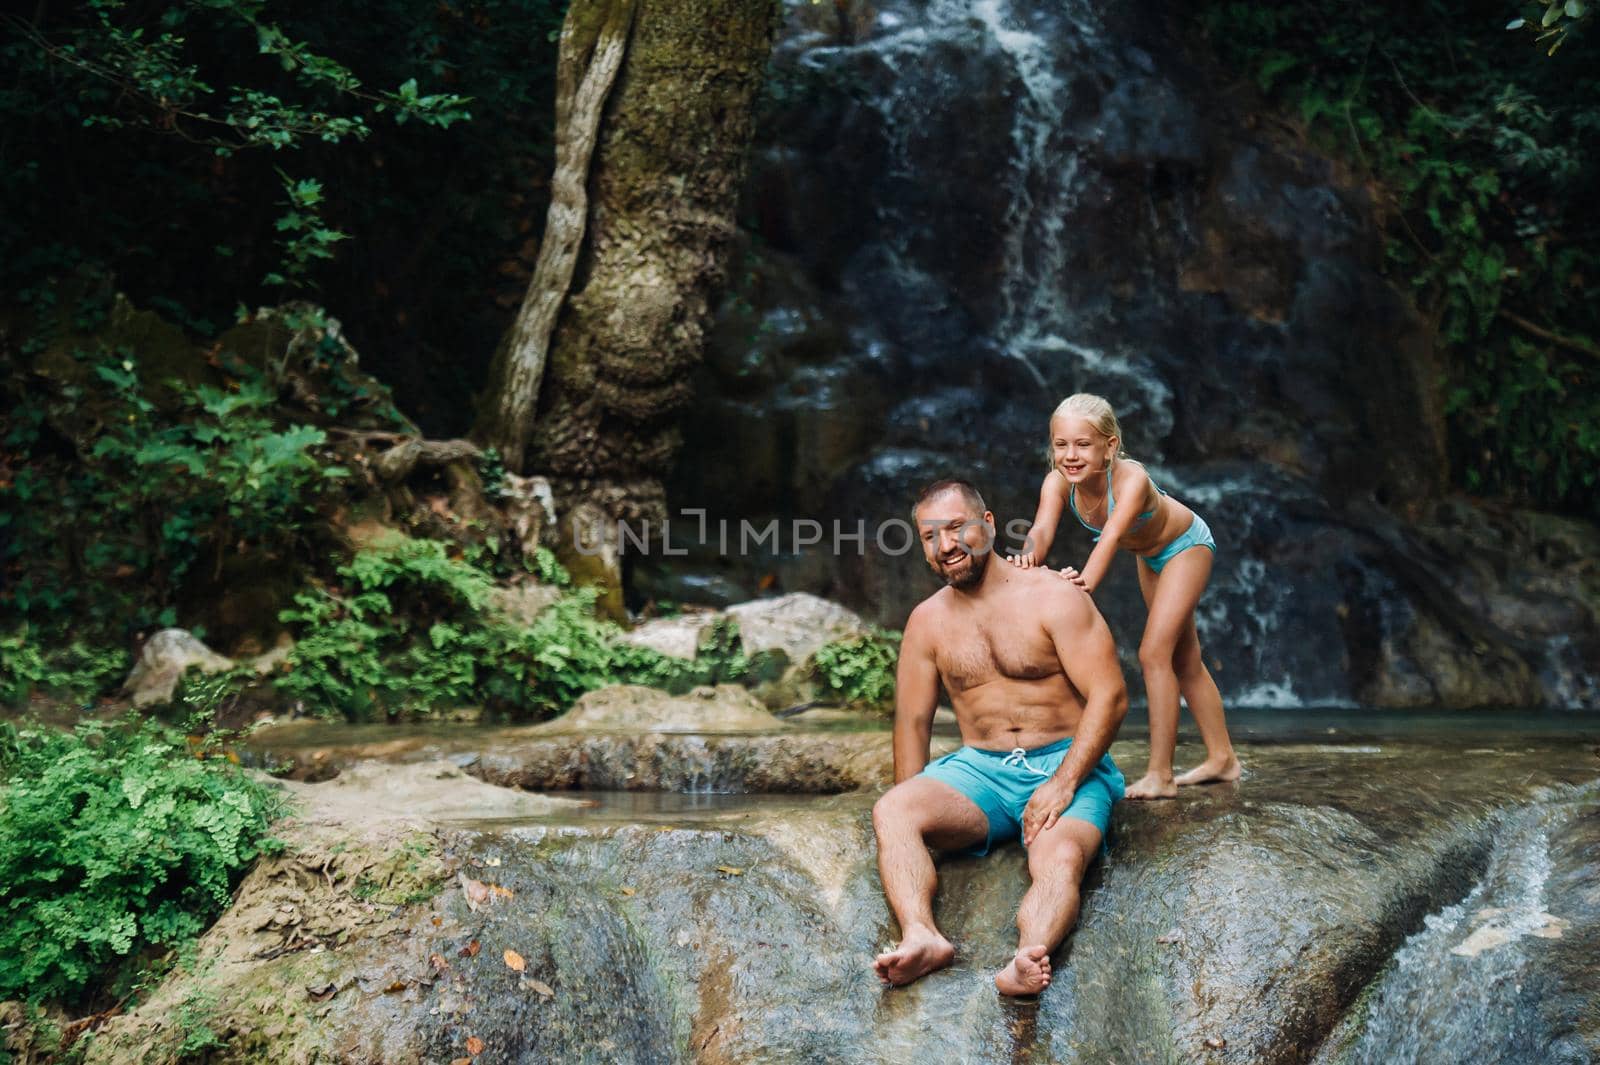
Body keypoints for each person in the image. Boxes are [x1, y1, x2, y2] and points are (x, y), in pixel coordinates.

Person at [871, 479, 1127, 996]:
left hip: (1063, 760)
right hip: (981, 770)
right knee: (893, 810)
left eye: (957, 528)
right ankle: (922, 936)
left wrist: (1062, 783)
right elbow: (913, 722)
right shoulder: (926, 622)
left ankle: (1026, 959)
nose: (946, 546)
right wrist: (914, 813)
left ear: (987, 525)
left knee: (1058, 858)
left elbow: (1110, 696)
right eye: (929, 536)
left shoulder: (1055, 597)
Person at [1008, 393, 1239, 799]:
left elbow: (1111, 537)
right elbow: (1042, 529)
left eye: (1083, 444)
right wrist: (1027, 559)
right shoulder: (1058, 483)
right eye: (1061, 445)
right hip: (1149, 556)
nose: (1070, 455)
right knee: (1185, 660)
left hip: (1186, 546)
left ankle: (1161, 775)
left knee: (1154, 653)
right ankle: (1222, 759)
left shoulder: (1131, 479)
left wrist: (1082, 586)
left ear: (1109, 447)